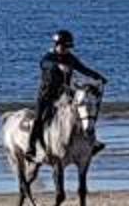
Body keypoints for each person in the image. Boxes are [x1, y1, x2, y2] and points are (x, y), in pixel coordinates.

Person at [25, 30, 104, 163]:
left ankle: (93, 142)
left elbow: (83, 69)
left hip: (65, 94)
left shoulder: (70, 57)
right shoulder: (48, 57)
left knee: (84, 111)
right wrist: (57, 66)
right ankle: (31, 147)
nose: (66, 49)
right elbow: (44, 64)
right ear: (57, 45)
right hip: (47, 95)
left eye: (68, 47)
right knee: (39, 119)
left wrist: (98, 77)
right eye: (64, 47)